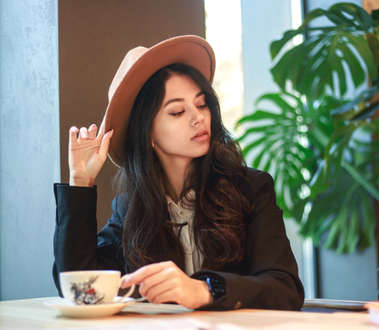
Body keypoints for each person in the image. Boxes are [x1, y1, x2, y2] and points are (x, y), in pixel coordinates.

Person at [53, 35, 305, 310]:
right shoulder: (131, 209)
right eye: (177, 112)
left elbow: (285, 288)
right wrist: (80, 181)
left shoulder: (252, 188)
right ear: (148, 133)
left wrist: (205, 290)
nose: (198, 118)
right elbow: (81, 286)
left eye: (201, 104)